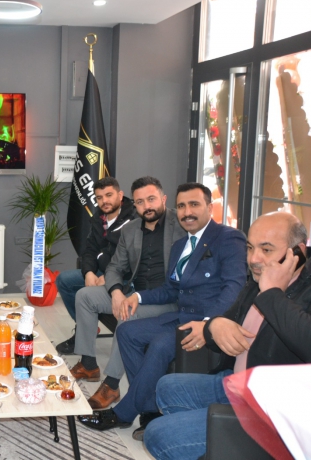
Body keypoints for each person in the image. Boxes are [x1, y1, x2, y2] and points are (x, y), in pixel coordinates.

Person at [143, 212, 311, 459]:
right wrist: (214, 325)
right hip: (239, 381)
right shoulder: (257, 278)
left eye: (266, 249)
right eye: (250, 248)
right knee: (166, 387)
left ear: (298, 252)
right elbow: (225, 323)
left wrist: (272, 293)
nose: (253, 259)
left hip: (273, 409)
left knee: (157, 434)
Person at [78, 182, 248, 440]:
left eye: (194, 204)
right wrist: (137, 296)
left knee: (159, 345)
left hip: (205, 322)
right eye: (182, 206)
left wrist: (208, 323)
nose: (187, 212)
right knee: (126, 332)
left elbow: (234, 286)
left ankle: (122, 413)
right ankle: (149, 409)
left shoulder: (227, 237)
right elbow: (171, 289)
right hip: (181, 315)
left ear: (209, 207)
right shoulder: (182, 246)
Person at [70, 176, 186, 409]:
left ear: (164, 199)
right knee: (85, 296)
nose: (147, 206)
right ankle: (89, 363)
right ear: (134, 203)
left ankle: (112, 384)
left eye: (152, 199)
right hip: (133, 291)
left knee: (127, 314)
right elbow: (115, 267)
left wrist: (127, 299)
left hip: (168, 298)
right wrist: (115, 291)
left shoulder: (180, 225)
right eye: (140, 202)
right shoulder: (131, 229)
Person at [56, 177, 137, 354]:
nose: (104, 201)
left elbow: (132, 259)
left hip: (123, 277)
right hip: (101, 271)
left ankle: (84, 334)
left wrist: (109, 277)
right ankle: (85, 327)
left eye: (109, 195)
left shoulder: (134, 220)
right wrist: (88, 273)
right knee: (64, 280)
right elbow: (89, 250)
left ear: (120, 195)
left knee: (85, 294)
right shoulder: (98, 219)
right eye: (99, 197)